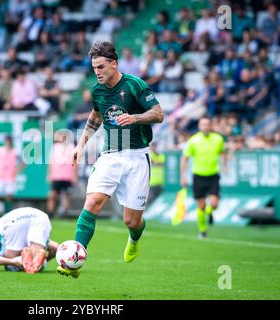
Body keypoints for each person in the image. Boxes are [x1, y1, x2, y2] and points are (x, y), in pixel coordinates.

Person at [57, 41, 164, 278]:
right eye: (94, 67)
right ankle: (75, 258)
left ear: (114, 64)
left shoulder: (135, 85)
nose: (97, 71)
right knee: (93, 202)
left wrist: (135, 118)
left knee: (131, 221)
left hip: (137, 157)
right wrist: (81, 145)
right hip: (110, 155)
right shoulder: (97, 90)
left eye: (101, 66)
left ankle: (134, 239)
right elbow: (95, 117)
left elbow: (158, 114)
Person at [180, 116, 227, 239]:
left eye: (207, 124)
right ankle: (202, 230)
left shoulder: (218, 139)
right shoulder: (193, 140)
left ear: (210, 125)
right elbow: (184, 158)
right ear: (199, 126)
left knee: (214, 203)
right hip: (198, 176)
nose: (205, 127)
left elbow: (222, 152)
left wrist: (225, 165)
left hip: (213, 175)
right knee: (201, 206)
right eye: (202, 124)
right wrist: (183, 176)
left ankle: (210, 213)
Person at [0, 207, 59, 274]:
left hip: (14, 221)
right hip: (39, 216)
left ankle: (34, 260)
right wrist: (46, 259)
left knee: (32, 265)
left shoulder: (3, 239)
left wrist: (13, 262)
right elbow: (55, 247)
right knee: (34, 264)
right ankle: (37, 259)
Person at [0, 136, 22, 219]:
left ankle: (7, 213)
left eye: (9, 141)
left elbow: (23, 162)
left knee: (8, 195)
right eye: (7, 141)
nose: (8, 142)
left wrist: (17, 171)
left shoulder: (15, 152)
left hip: (10, 177)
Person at [47, 132, 77, 218]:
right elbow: (51, 162)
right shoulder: (55, 147)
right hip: (56, 176)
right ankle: (50, 213)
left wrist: (74, 175)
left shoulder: (72, 147)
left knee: (66, 195)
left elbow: (75, 162)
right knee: (52, 195)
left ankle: (65, 214)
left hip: (68, 175)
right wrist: (49, 174)